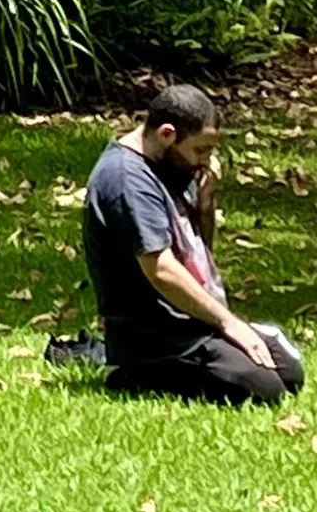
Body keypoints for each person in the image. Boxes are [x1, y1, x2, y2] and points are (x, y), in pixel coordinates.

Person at [81, 83, 305, 405]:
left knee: (289, 373)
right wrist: (229, 323)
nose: (206, 160)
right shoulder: (126, 179)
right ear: (167, 134)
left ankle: (210, 354)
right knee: (262, 388)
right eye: (201, 150)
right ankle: (137, 374)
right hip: (155, 337)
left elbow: (198, 253)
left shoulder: (172, 163)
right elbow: (161, 269)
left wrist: (205, 201)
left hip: (191, 321)